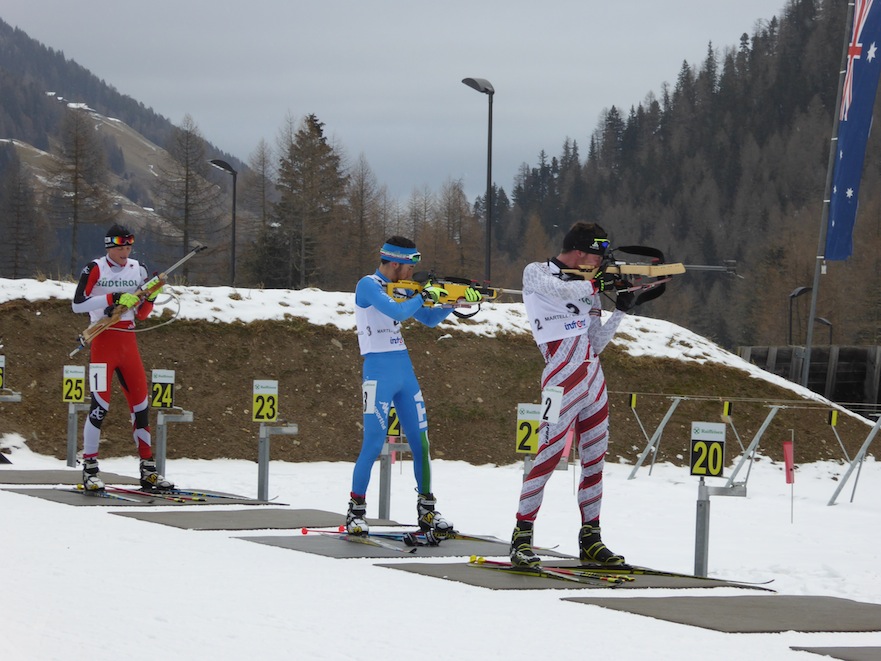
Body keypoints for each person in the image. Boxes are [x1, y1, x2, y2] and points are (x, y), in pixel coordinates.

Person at [510, 221, 636, 567]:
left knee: (595, 460)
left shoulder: (588, 286)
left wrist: (621, 311)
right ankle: (522, 537)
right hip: (560, 377)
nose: (600, 262)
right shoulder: (536, 272)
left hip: (593, 375)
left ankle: (591, 538)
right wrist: (596, 282)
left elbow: (595, 342)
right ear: (580, 251)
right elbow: (564, 292)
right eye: (598, 255)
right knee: (547, 454)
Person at [347, 236, 482, 538]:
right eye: (408, 269)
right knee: (372, 443)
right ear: (395, 264)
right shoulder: (367, 285)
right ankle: (356, 510)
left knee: (421, 444)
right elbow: (397, 312)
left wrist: (452, 302)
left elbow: (429, 320)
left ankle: (427, 510)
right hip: (377, 372)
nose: (410, 276)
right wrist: (424, 295)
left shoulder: (406, 288)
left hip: (403, 370)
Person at [71, 224, 172, 491]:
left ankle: (148, 469)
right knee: (99, 407)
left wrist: (150, 296)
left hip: (128, 341)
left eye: (128, 247)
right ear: (109, 247)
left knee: (140, 407)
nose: (125, 252)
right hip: (103, 339)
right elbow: (77, 303)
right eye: (120, 248)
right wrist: (113, 297)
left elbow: (141, 314)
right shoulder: (95, 268)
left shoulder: (137, 269)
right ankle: (90, 468)